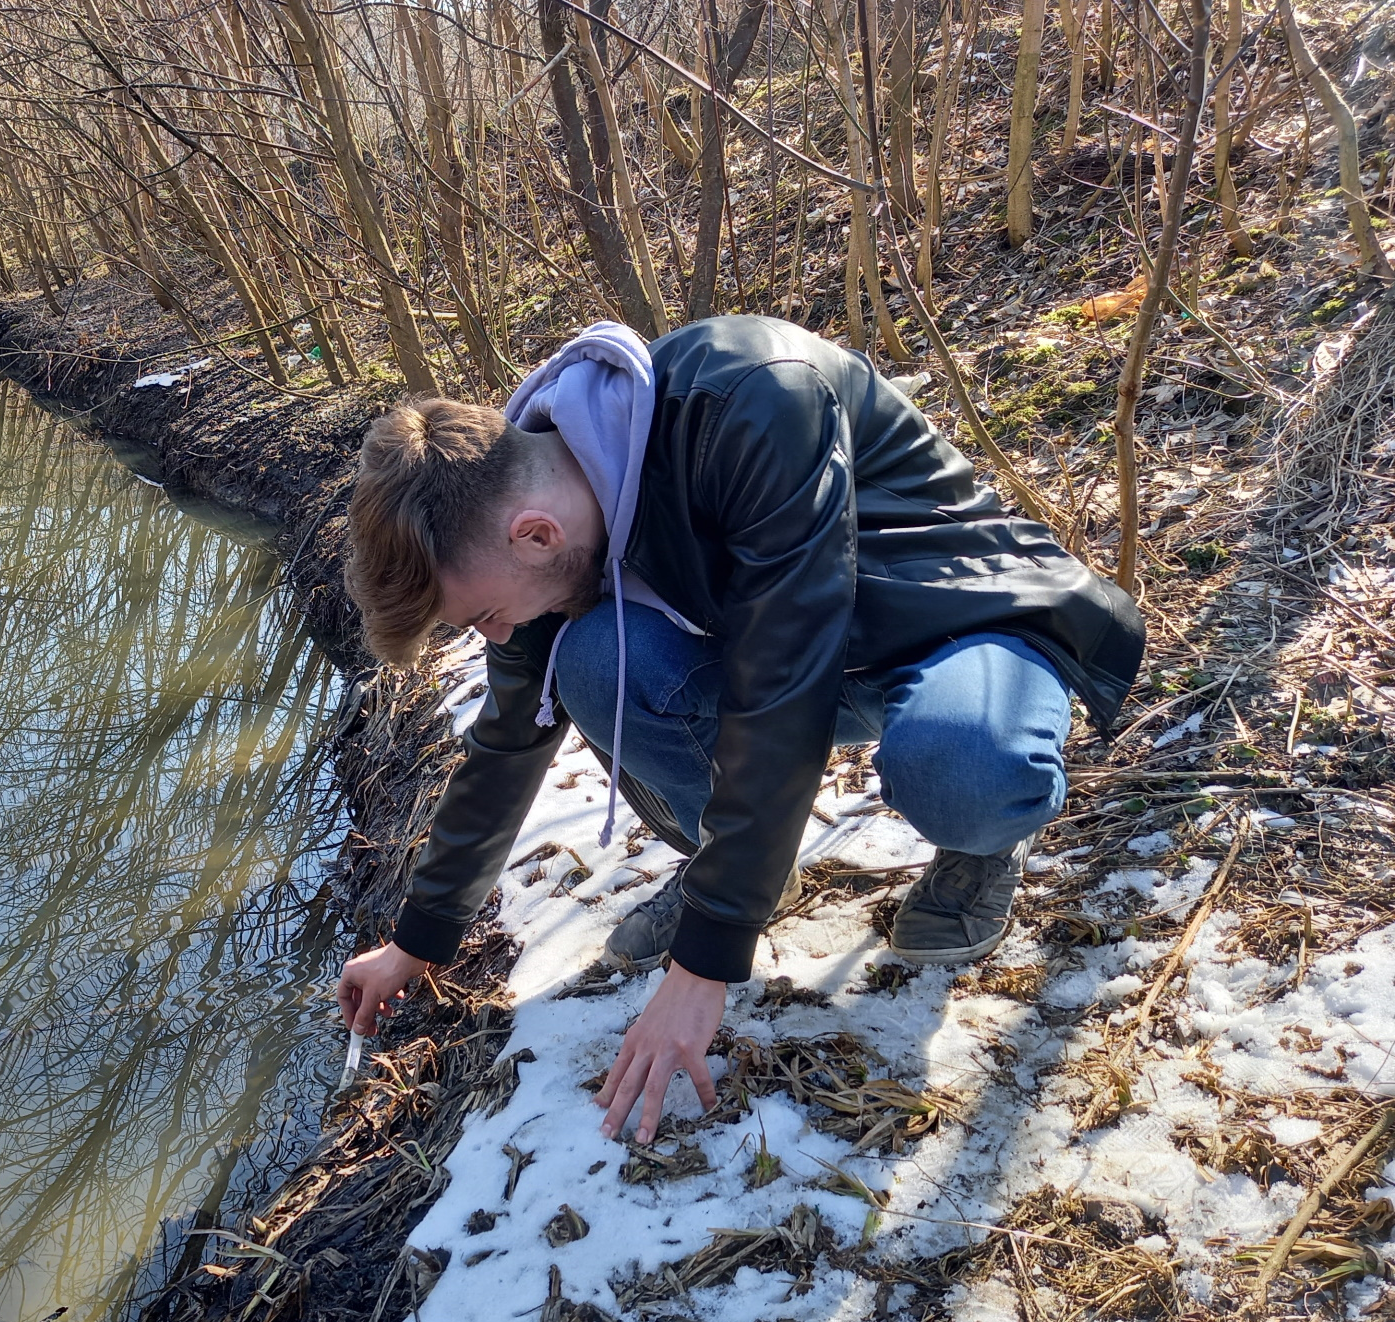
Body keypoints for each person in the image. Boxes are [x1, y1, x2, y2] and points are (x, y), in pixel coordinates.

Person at [334, 315, 1143, 1147]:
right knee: (589, 660)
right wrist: (418, 938)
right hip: (795, 660)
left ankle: (981, 848)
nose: (498, 638)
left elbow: (783, 683)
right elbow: (508, 738)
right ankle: (752, 869)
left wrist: (705, 961)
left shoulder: (753, 398)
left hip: (958, 625)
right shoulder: (540, 524)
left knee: (962, 763)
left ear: (535, 534)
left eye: (487, 617)